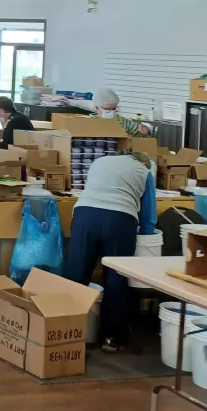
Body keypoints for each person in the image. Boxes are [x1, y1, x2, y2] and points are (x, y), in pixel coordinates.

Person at [63, 151, 157, 353]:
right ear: (144, 162)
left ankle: (66, 332)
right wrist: (147, 235)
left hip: (84, 215)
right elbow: (149, 215)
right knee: (116, 277)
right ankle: (111, 338)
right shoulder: (144, 172)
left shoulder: (100, 161)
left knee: (77, 273)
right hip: (119, 220)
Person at [74, 88, 154, 136]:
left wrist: (146, 129)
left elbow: (145, 131)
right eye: (108, 109)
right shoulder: (88, 123)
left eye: (114, 108)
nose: (112, 112)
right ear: (97, 108)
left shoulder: (122, 121)